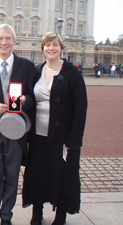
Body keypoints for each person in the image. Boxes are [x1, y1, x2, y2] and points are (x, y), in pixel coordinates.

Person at [22, 32, 87, 225]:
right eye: (47, 45)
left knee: (62, 176)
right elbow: (30, 98)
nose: (51, 48)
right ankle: (37, 212)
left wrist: (74, 138)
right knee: (38, 175)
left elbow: (80, 108)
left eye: (55, 45)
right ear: (42, 49)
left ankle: (60, 215)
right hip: (38, 135)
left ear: (61, 48)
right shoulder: (37, 71)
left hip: (62, 136)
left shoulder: (72, 73)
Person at [0, 24, 35, 225]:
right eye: (0, 38)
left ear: (14, 41)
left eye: (8, 38)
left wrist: (25, 100)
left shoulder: (27, 66)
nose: (4, 42)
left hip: (16, 131)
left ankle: (6, 216)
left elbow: (33, 97)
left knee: (12, 175)